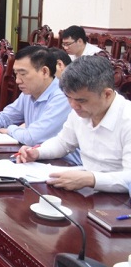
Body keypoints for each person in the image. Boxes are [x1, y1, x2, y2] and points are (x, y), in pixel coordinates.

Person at [16, 56, 131, 193]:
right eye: (68, 97)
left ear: (107, 94)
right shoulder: (81, 112)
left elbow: (129, 178)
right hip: (88, 190)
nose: (73, 105)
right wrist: (37, 153)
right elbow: (63, 143)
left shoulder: (127, 119)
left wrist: (91, 179)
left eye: (81, 100)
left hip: (119, 199)